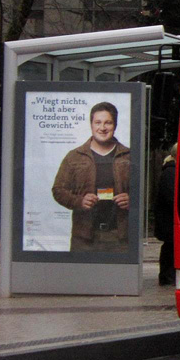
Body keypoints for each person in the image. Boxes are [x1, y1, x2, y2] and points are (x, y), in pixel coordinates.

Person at [51, 102, 131, 252]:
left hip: (120, 238)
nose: (102, 128)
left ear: (115, 125)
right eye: (98, 122)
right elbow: (58, 190)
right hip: (84, 239)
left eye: (108, 122)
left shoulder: (129, 156)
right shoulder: (74, 156)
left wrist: (132, 199)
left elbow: (145, 192)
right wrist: (79, 201)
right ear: (91, 124)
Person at [154, 143, 178, 286]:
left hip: (167, 218)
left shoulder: (172, 170)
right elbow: (172, 197)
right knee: (170, 247)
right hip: (168, 219)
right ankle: (166, 276)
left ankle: (167, 275)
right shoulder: (170, 172)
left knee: (170, 247)